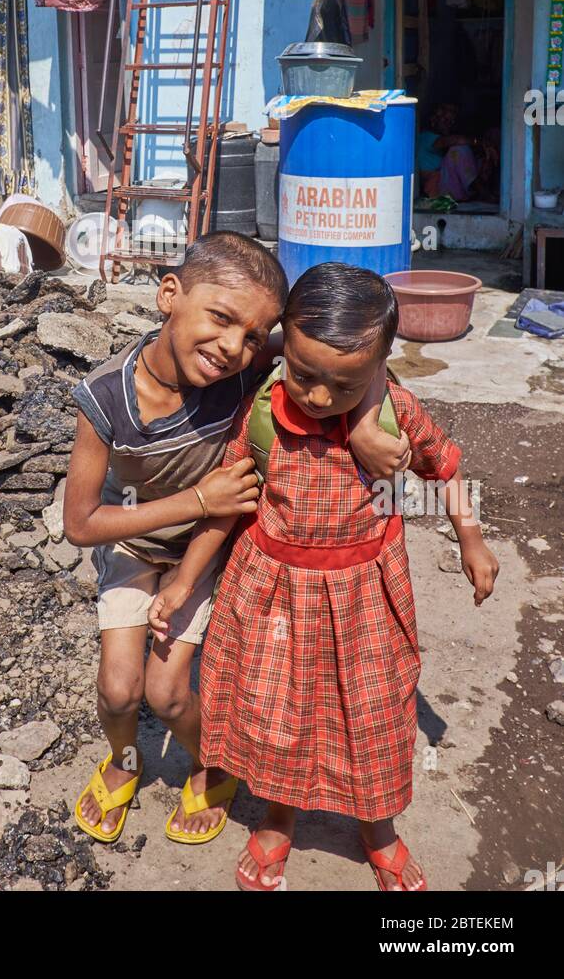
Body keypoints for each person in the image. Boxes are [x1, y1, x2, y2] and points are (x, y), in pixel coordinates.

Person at [149, 262, 499, 889]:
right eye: (304, 374)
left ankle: (378, 831)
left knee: (375, 716)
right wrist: (181, 583)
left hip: (366, 597)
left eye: (343, 385)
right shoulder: (260, 414)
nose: (316, 396)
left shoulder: (394, 412)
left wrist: (470, 537)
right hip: (273, 598)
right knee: (280, 714)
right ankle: (278, 820)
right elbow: (230, 506)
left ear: (379, 368)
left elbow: (444, 465)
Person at [63, 234, 410, 847]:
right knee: (118, 690)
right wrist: (201, 499)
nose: (233, 346)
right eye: (221, 319)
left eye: (254, 335)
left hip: (204, 547)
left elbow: (355, 353)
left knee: (168, 696)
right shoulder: (105, 398)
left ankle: (210, 764)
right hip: (133, 543)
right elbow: (82, 523)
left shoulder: (241, 365)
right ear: (170, 294)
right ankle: (122, 762)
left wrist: (360, 424)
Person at [418, 103, 481, 201]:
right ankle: (481, 191)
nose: (449, 125)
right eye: (445, 121)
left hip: (445, 187)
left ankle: (478, 191)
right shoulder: (425, 137)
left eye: (451, 122)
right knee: (458, 150)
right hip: (435, 189)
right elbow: (453, 140)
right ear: (433, 120)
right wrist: (479, 142)